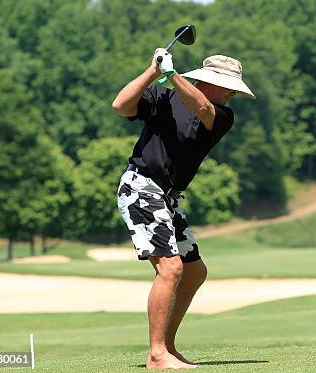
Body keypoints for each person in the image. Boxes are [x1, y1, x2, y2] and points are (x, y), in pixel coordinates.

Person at [111, 49, 255, 370]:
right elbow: (120, 106)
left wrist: (172, 74)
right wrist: (153, 71)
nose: (232, 92)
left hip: (168, 197)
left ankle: (168, 348)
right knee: (172, 268)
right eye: (227, 85)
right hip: (141, 187)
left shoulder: (222, 114)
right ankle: (156, 354)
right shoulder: (163, 96)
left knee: (194, 272)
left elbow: (202, 106)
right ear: (209, 81)